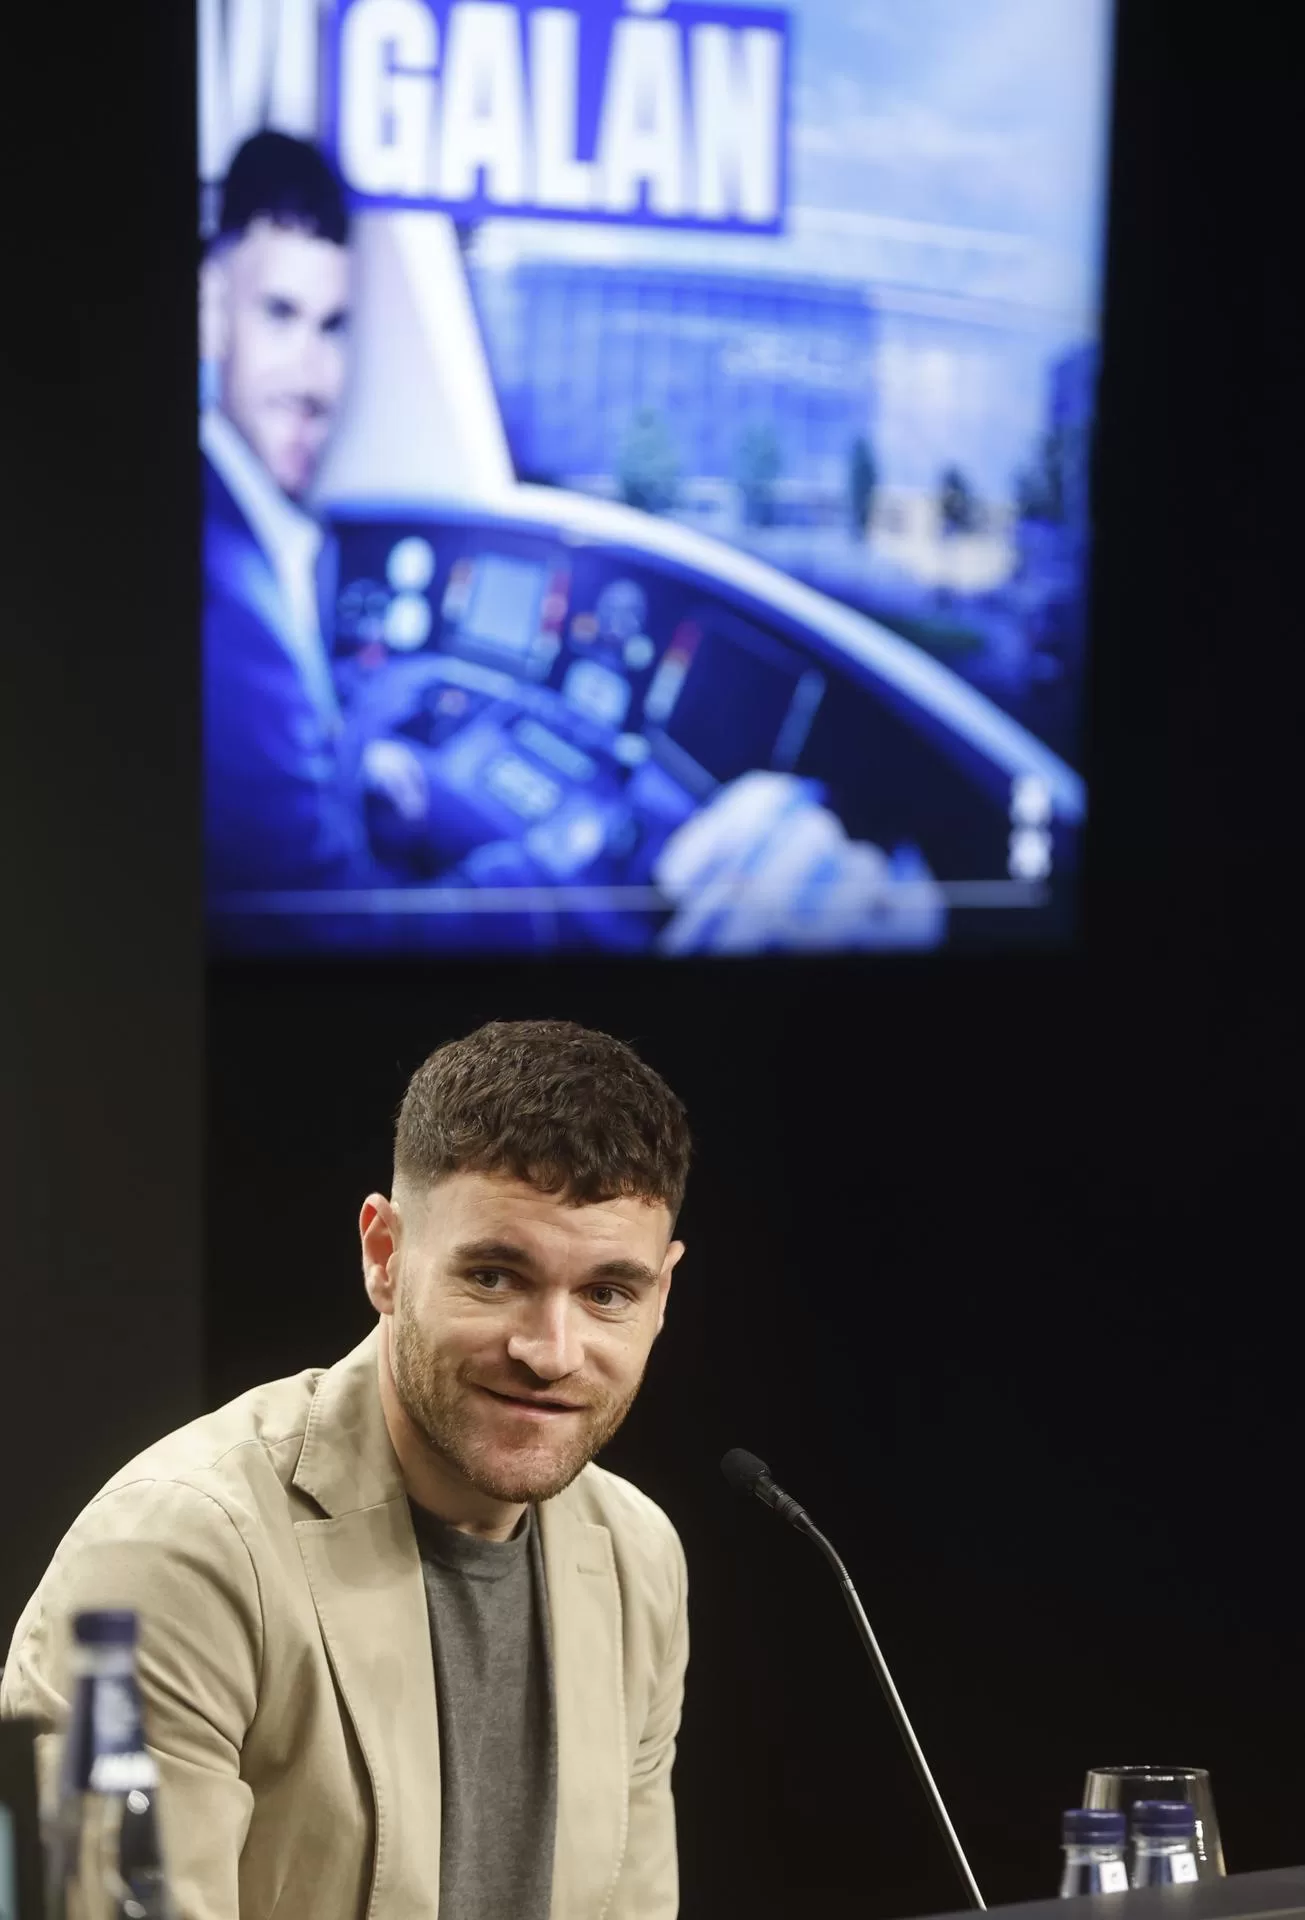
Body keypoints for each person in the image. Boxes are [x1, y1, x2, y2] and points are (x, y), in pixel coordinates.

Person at [2, 1021, 691, 1920]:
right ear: (384, 1255)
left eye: (606, 1294)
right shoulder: (173, 1550)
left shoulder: (637, 1553)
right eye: (492, 1276)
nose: (549, 1351)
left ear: (661, 1293)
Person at [201, 130, 429, 896]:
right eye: (279, 314)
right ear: (210, 312)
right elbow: (332, 926)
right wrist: (567, 889)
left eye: (332, 327)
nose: (311, 377)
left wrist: (351, 760)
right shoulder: (227, 601)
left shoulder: (248, 528)